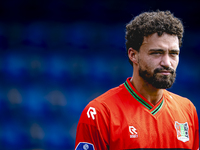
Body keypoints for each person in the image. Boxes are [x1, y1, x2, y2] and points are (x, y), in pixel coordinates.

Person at [74, 10, 199, 150]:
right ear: (133, 55)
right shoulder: (100, 113)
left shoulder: (187, 109)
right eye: (157, 53)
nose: (167, 63)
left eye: (173, 54)